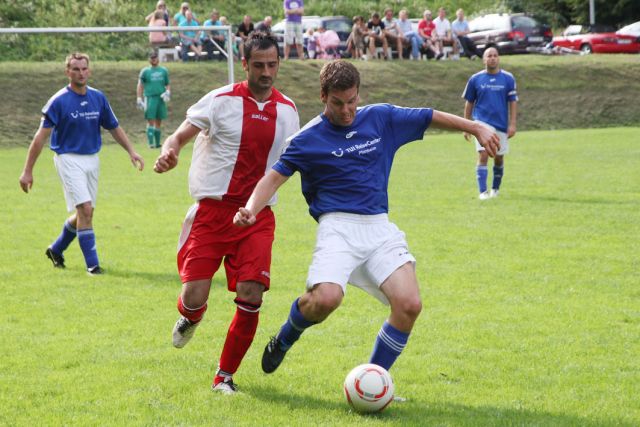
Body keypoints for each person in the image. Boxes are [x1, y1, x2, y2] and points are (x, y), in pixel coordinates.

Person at [233, 60, 499, 382]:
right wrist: (251, 208)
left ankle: (372, 382)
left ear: (359, 94)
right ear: (323, 96)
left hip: (378, 227)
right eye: (337, 103)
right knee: (326, 299)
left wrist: (476, 127)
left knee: (409, 305)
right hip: (337, 228)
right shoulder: (307, 139)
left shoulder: (380, 118)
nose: (346, 111)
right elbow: (272, 179)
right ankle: (288, 334)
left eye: (352, 101)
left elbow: (429, 116)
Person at [153, 32, 300, 394]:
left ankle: (224, 376)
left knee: (252, 294)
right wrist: (170, 151)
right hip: (212, 214)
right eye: (259, 65)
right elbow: (179, 136)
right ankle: (191, 317)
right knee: (193, 297)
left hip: (257, 217)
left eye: (272, 64)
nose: (267, 72)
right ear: (245, 63)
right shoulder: (219, 101)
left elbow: (291, 163)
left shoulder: (288, 111)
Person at [19, 53, 144, 275]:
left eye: (84, 68)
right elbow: (40, 138)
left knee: (85, 214)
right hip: (67, 158)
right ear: (68, 72)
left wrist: (132, 151)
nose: (81, 73)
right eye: (76, 69)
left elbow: (114, 126)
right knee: (85, 209)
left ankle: (56, 249)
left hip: (92, 159)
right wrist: (27, 171)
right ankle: (93, 266)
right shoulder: (58, 101)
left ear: (90, 70)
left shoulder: (98, 97)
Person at [462, 47, 518, 200]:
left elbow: (513, 102)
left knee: (499, 157)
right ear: (484, 60)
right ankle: (483, 192)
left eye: (495, 55)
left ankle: (495, 189)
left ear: (498, 58)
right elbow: (469, 103)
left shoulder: (508, 78)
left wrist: (512, 124)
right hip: (482, 123)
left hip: (501, 124)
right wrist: (467, 126)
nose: (492, 58)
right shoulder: (475, 79)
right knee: (483, 154)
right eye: (489, 56)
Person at [137, 50, 171, 148]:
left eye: (155, 58)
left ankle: (157, 143)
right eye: (152, 58)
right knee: (150, 119)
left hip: (161, 98)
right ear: (149, 60)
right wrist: (139, 98)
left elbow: (167, 83)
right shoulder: (145, 71)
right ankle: (150, 143)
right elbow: (140, 85)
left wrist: (168, 92)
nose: (154, 59)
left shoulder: (163, 70)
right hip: (150, 97)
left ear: (158, 59)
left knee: (159, 120)